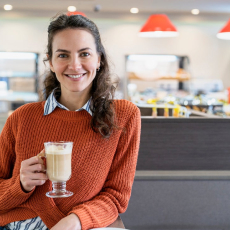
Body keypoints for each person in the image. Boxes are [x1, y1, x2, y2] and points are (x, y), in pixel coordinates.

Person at [0, 14, 141, 230]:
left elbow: (116, 197)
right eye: (63, 55)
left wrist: (75, 221)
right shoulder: (22, 117)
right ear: (51, 62)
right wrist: (19, 185)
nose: (74, 66)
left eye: (84, 54)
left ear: (99, 59)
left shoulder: (124, 115)